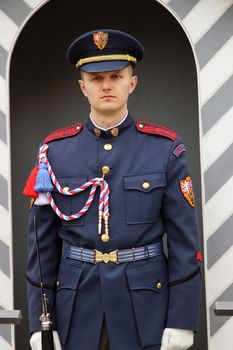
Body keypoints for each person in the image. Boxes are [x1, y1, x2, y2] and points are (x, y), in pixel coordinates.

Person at [23, 29, 202, 350]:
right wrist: (41, 320)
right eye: (95, 78)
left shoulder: (165, 148)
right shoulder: (54, 152)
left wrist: (182, 318)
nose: (106, 85)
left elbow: (184, 242)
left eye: (116, 76)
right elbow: (42, 246)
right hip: (76, 307)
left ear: (132, 83)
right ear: (83, 87)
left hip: (146, 305)